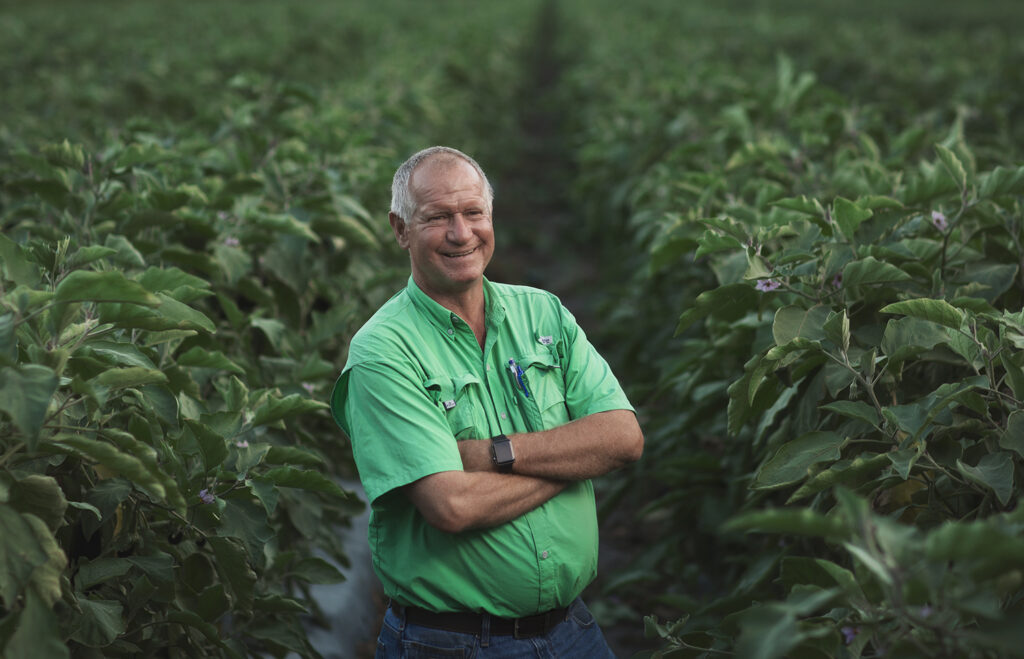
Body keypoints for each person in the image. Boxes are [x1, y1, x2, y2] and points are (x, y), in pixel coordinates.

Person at [330, 146, 643, 658]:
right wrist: (577, 459)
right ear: (400, 229)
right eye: (437, 218)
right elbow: (452, 505)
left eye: (474, 213)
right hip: (451, 644)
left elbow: (624, 438)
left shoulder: (543, 314)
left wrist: (493, 454)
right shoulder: (382, 353)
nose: (461, 233)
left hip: (574, 631)